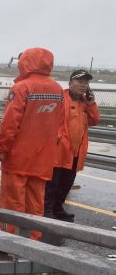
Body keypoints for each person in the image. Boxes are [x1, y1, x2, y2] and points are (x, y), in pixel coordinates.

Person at [0, 48, 65, 240]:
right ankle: (32, 241)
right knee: (35, 203)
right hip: (42, 159)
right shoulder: (58, 89)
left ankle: (11, 242)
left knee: (12, 204)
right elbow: (61, 125)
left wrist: (0, 149)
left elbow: (10, 124)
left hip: (17, 158)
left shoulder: (21, 88)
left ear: (25, 62)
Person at [44, 69, 101, 221]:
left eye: (86, 82)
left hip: (76, 151)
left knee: (66, 183)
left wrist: (91, 104)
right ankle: (46, 210)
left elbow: (95, 121)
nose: (83, 85)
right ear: (70, 83)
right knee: (52, 183)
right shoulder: (60, 98)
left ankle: (57, 208)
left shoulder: (85, 102)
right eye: (79, 81)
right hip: (59, 150)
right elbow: (50, 120)